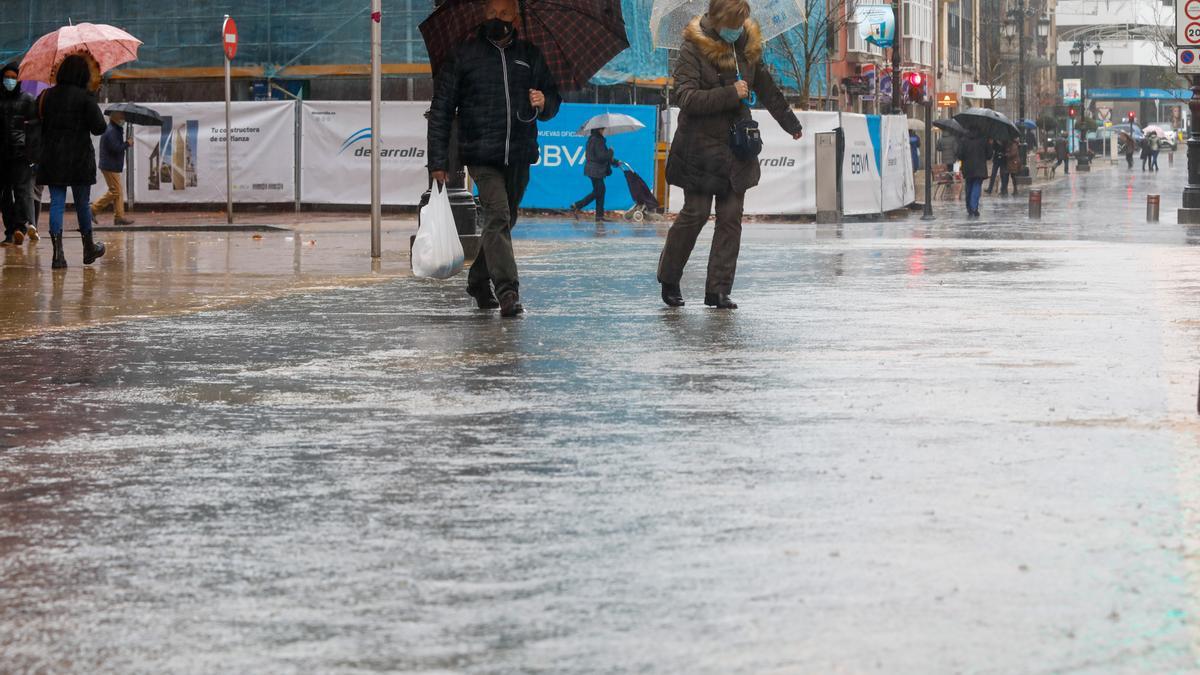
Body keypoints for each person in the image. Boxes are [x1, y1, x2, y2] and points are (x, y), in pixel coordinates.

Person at [657, 0, 803, 309]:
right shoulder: (692, 49)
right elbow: (686, 97)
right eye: (733, 23)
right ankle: (669, 278)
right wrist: (729, 93)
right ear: (717, 19)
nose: (738, 29)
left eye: (742, 22)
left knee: (730, 219)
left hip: (737, 148)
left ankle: (718, 290)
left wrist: (790, 123)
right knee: (694, 215)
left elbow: (767, 88)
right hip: (699, 150)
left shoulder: (746, 46)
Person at [427, 0, 561, 317]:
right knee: (498, 215)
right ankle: (507, 292)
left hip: (519, 152)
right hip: (480, 153)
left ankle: (477, 280)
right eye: (490, 13)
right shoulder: (463, 55)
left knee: (506, 219)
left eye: (503, 14)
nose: (496, 19)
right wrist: (438, 162)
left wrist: (545, 101)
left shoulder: (530, 55)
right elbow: (441, 110)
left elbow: (553, 99)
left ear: (515, 17)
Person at [36, 54, 107, 269]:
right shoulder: (85, 97)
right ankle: (88, 248)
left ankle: (58, 255)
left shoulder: (46, 96)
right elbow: (99, 128)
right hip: (79, 158)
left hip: (53, 157)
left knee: (56, 203)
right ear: (83, 74)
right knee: (81, 204)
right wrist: (93, 97)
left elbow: (37, 120)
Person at [0, 62, 38, 247]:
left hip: (20, 154)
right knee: (5, 196)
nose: (10, 81)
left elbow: (34, 127)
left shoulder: (28, 99)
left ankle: (19, 227)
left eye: (14, 78)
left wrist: (31, 150)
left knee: (22, 192)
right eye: (7, 77)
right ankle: (10, 231)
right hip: (2, 155)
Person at [91, 110, 134, 226]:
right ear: (117, 119)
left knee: (117, 191)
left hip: (111, 165)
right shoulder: (111, 131)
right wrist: (127, 144)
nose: (123, 120)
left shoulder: (114, 129)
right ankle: (93, 209)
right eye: (122, 118)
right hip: (110, 165)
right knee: (115, 191)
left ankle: (119, 217)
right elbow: (115, 148)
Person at [569, 127, 618, 223]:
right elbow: (601, 157)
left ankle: (599, 216)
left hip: (593, 170)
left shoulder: (593, 139)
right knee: (599, 191)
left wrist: (615, 161)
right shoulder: (598, 140)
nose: (604, 131)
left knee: (600, 191)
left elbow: (601, 155)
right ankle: (577, 205)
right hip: (595, 170)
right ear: (598, 130)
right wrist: (611, 151)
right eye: (603, 129)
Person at [956, 131, 988, 218]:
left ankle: (970, 207)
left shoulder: (963, 140)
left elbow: (959, 155)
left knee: (969, 185)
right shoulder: (983, 139)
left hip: (968, 168)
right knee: (977, 185)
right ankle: (974, 207)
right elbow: (989, 155)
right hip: (980, 168)